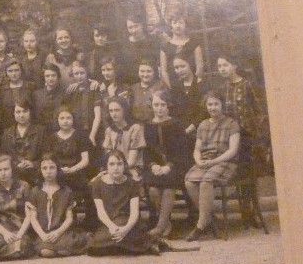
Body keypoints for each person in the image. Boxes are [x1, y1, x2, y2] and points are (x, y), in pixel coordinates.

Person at [184, 90, 242, 241]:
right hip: (206, 161)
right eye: (210, 104)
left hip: (225, 161)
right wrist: (198, 160)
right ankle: (209, 218)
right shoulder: (203, 125)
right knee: (189, 181)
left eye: (216, 104)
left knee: (205, 182)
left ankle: (201, 225)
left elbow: (233, 150)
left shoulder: (231, 124)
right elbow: (197, 148)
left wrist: (214, 162)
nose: (213, 107)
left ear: (222, 105)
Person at [88, 149, 159, 256]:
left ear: (124, 166)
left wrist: (125, 229)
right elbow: (101, 212)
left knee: (119, 229)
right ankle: (143, 244)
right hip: (109, 224)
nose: (116, 168)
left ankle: (126, 244)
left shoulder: (132, 183)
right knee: (94, 245)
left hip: (128, 223)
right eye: (112, 164)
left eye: (119, 164)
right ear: (106, 166)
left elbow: (134, 213)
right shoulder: (97, 183)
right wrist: (111, 226)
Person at [142, 89, 192, 239]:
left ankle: (159, 227)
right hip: (155, 167)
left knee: (169, 188)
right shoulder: (148, 125)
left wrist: (168, 166)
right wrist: (153, 166)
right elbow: (147, 152)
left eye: (162, 105)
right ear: (151, 106)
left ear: (168, 105)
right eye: (156, 105)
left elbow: (182, 152)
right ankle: (166, 223)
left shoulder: (176, 124)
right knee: (153, 190)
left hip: (175, 165)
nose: (159, 108)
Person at [25, 153, 89, 258]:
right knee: (46, 252)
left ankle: (62, 247)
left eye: (52, 167)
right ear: (40, 170)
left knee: (65, 247)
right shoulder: (35, 191)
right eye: (44, 168)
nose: (48, 171)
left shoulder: (66, 191)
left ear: (57, 169)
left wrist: (58, 233)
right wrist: (42, 235)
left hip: (61, 232)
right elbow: (33, 219)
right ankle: (54, 248)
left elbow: (69, 219)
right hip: (44, 233)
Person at [46, 107, 93, 225]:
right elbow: (48, 160)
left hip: (76, 174)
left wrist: (72, 169)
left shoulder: (80, 136)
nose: (65, 121)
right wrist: (58, 170)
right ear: (57, 120)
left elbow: (85, 160)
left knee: (86, 189)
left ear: (73, 119)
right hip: (57, 175)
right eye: (62, 118)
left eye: (68, 118)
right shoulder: (51, 138)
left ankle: (87, 224)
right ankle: (61, 221)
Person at [101, 97, 145, 180]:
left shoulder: (135, 128)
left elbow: (131, 161)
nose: (114, 114)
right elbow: (109, 157)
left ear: (124, 111)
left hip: (132, 167)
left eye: (117, 110)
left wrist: (115, 171)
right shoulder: (109, 130)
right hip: (114, 168)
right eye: (111, 111)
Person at [0, 100, 43, 186]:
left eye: (25, 111)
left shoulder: (40, 131)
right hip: (14, 176)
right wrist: (15, 165)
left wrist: (33, 164)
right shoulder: (7, 133)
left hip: (36, 175)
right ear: (13, 113)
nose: (21, 115)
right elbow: (4, 155)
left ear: (30, 112)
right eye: (18, 112)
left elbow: (47, 154)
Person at [168, 54, 211, 137]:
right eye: (177, 68)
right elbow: (172, 110)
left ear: (190, 65)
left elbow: (205, 112)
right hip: (180, 130)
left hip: (200, 129)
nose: (180, 70)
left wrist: (190, 128)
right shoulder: (175, 86)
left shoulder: (203, 85)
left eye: (183, 66)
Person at [64, 60, 102, 147]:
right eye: (76, 74)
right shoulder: (71, 90)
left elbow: (98, 116)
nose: (79, 76)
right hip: (75, 131)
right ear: (72, 75)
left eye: (82, 73)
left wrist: (92, 135)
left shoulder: (93, 88)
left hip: (92, 130)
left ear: (87, 73)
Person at [159, 13, 204, 86]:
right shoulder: (165, 47)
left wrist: (193, 86)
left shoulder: (194, 44)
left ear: (186, 25)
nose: (178, 26)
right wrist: (170, 87)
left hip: (192, 85)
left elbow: (200, 67)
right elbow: (164, 71)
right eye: (174, 23)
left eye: (181, 23)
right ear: (170, 26)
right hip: (173, 86)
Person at [118, 11, 159, 85]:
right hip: (130, 83)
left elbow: (158, 64)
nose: (133, 30)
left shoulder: (152, 42)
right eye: (130, 27)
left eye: (136, 26)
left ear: (142, 25)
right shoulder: (124, 44)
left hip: (150, 83)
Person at [0, 58, 35, 132]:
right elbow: (0, 111)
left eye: (16, 70)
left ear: (21, 71)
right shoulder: (1, 90)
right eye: (10, 71)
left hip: (29, 127)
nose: (14, 74)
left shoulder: (30, 87)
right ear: (6, 73)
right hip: (8, 127)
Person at [129, 58, 167, 125]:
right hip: (137, 126)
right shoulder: (133, 88)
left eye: (149, 71)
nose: (145, 75)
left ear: (154, 72)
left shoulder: (161, 86)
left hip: (156, 125)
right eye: (142, 71)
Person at [33, 63, 65, 132]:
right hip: (40, 132)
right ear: (43, 78)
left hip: (59, 131)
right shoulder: (37, 94)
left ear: (58, 76)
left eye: (53, 75)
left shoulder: (65, 94)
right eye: (47, 76)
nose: (50, 79)